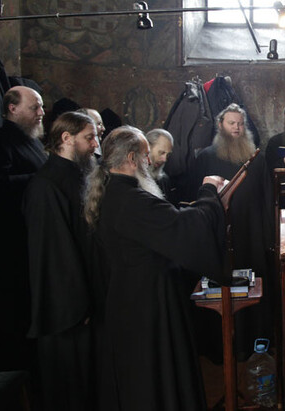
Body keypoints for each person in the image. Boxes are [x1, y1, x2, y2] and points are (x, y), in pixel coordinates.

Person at [83, 125, 227, 411]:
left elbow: (167, 223)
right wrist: (209, 191)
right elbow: (180, 228)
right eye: (146, 155)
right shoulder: (130, 200)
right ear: (132, 159)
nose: (150, 162)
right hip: (146, 304)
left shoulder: (116, 191)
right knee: (151, 375)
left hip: (132, 297)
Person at [23, 111, 99, 410]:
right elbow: (55, 254)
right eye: (89, 138)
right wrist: (78, 304)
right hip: (66, 309)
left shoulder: (79, 174)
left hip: (86, 298)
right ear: (66, 139)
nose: (95, 144)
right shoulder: (46, 185)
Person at [191, 103, 275, 360]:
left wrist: (268, 239)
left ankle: (252, 346)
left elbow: (267, 199)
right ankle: (220, 349)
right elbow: (197, 200)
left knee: (252, 290)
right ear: (221, 125)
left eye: (241, 123)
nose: (237, 128)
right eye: (232, 123)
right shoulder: (206, 157)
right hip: (217, 238)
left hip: (251, 236)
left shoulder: (257, 159)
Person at [0, 85, 47, 371]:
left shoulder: (30, 140)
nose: (41, 113)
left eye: (41, 107)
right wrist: (41, 179)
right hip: (10, 244)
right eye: (35, 107)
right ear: (12, 108)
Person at [145, 128, 174, 201]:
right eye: (161, 153)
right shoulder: (131, 177)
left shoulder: (164, 180)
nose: (165, 159)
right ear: (148, 147)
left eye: (168, 155)